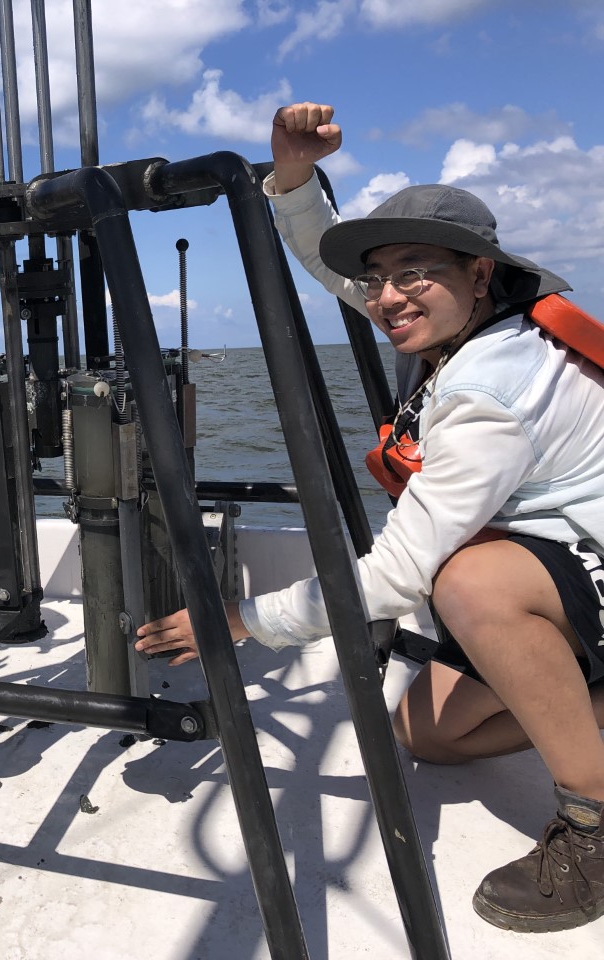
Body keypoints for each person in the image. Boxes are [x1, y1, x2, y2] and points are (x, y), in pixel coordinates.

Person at [136, 102, 604, 933]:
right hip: (567, 560)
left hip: (579, 560)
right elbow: (332, 267)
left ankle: (595, 826)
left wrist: (243, 621)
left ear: (480, 274)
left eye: (413, 273)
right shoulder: (455, 325)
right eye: (381, 277)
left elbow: (396, 577)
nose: (387, 297)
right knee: (427, 735)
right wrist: (290, 177)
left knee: (467, 583)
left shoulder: (490, 388)